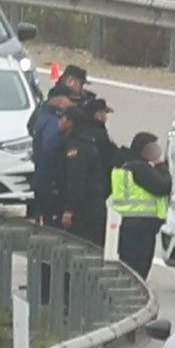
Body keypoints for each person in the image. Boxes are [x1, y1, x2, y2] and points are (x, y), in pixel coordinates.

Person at [25, 65, 88, 227]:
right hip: (51, 184)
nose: (74, 105)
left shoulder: (42, 113)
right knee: (52, 227)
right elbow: (49, 151)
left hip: (43, 181)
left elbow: (31, 129)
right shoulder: (53, 121)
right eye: (72, 101)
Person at [109, 131, 171, 278]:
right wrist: (161, 166)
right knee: (139, 267)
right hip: (141, 223)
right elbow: (162, 187)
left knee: (128, 265)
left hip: (126, 221)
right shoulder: (140, 168)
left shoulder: (121, 166)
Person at [63, 98, 120, 247]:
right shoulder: (95, 136)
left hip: (90, 200)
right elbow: (77, 177)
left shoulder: (83, 135)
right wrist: (70, 208)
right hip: (90, 203)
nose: (105, 117)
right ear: (98, 114)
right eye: (104, 113)